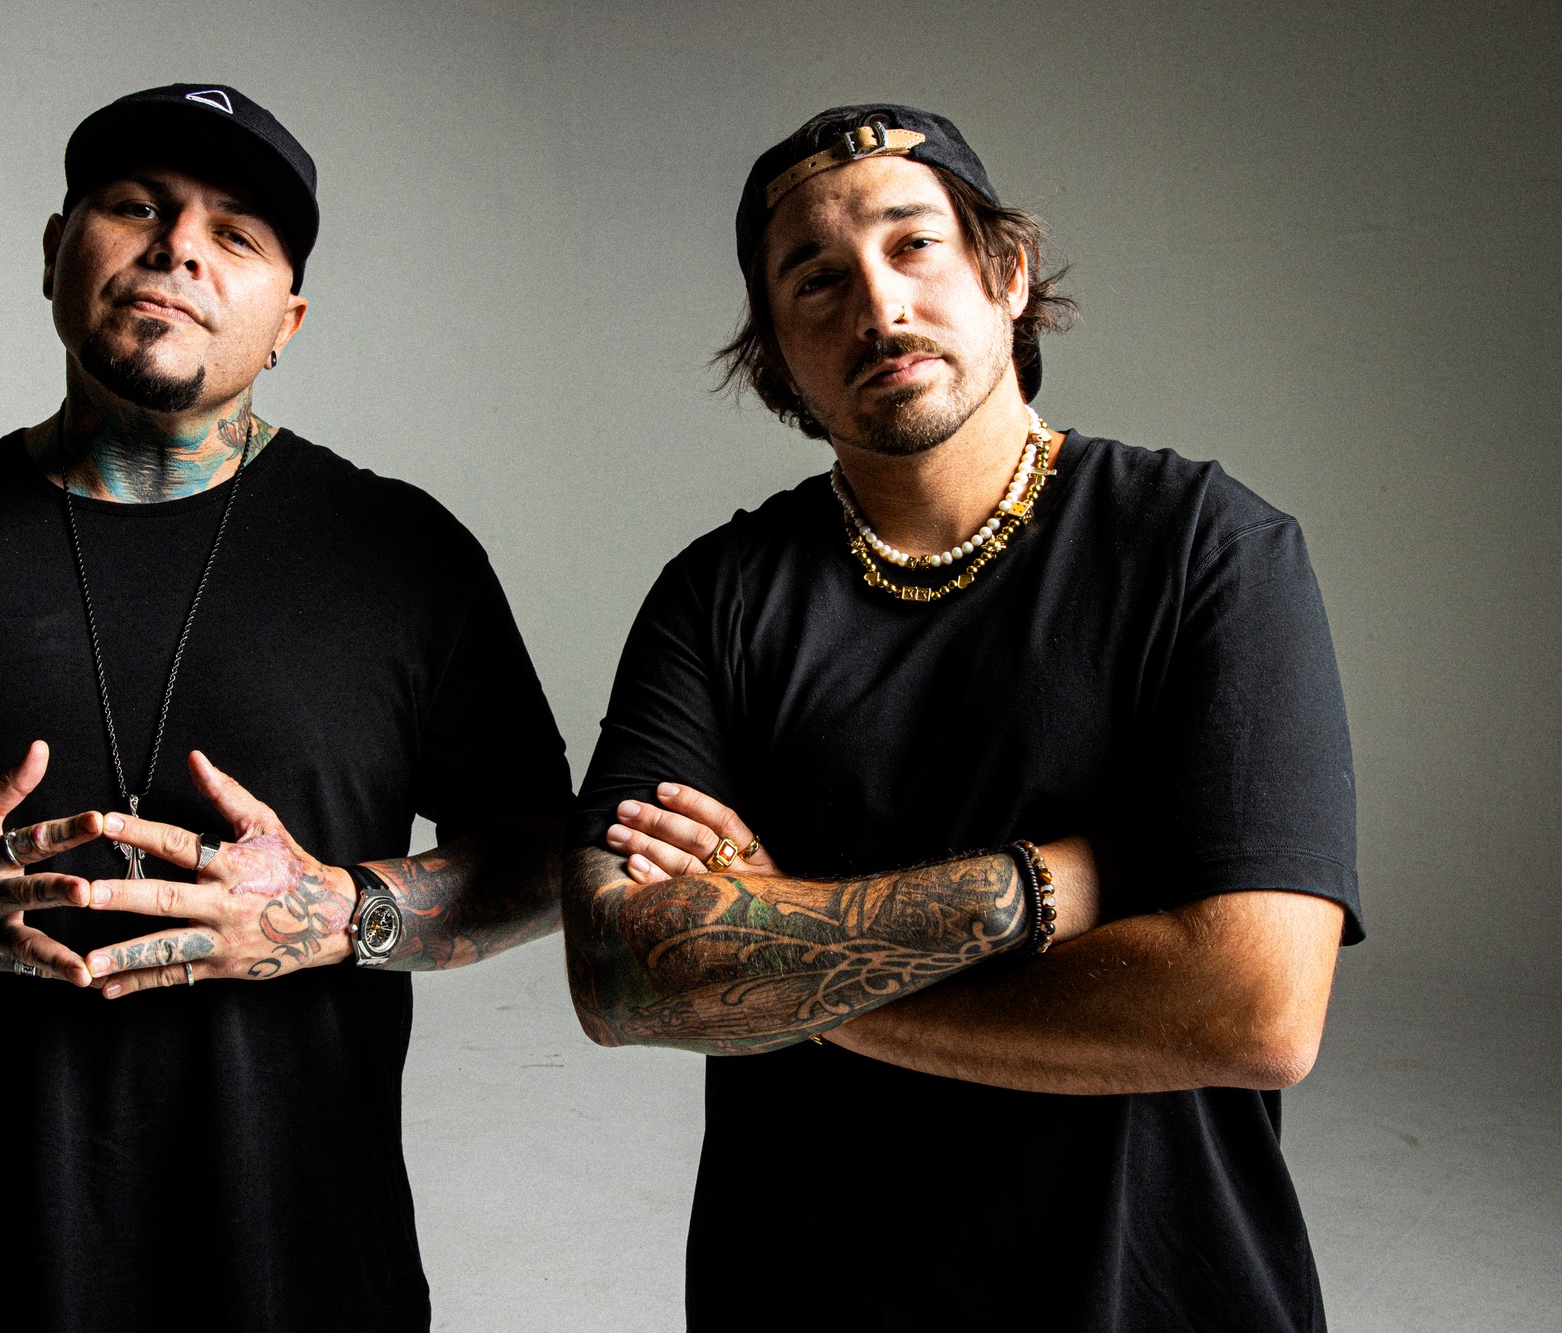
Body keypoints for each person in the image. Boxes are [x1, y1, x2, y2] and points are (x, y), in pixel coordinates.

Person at [0, 83, 571, 1331]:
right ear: (59, 251)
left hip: (313, 1287)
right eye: (137, 207)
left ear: (288, 321)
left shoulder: (402, 555)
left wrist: (341, 913)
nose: (178, 249)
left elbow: (548, 854)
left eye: (236, 234)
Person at [563, 104, 1360, 1331]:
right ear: (776, 354)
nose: (878, 306)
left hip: (1150, 1290)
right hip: (808, 1289)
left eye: (913, 245)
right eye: (814, 279)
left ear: (1007, 272)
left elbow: (1250, 1006)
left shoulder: (1205, 548)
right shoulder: (716, 597)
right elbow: (622, 973)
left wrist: (779, 956)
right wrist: (1044, 885)